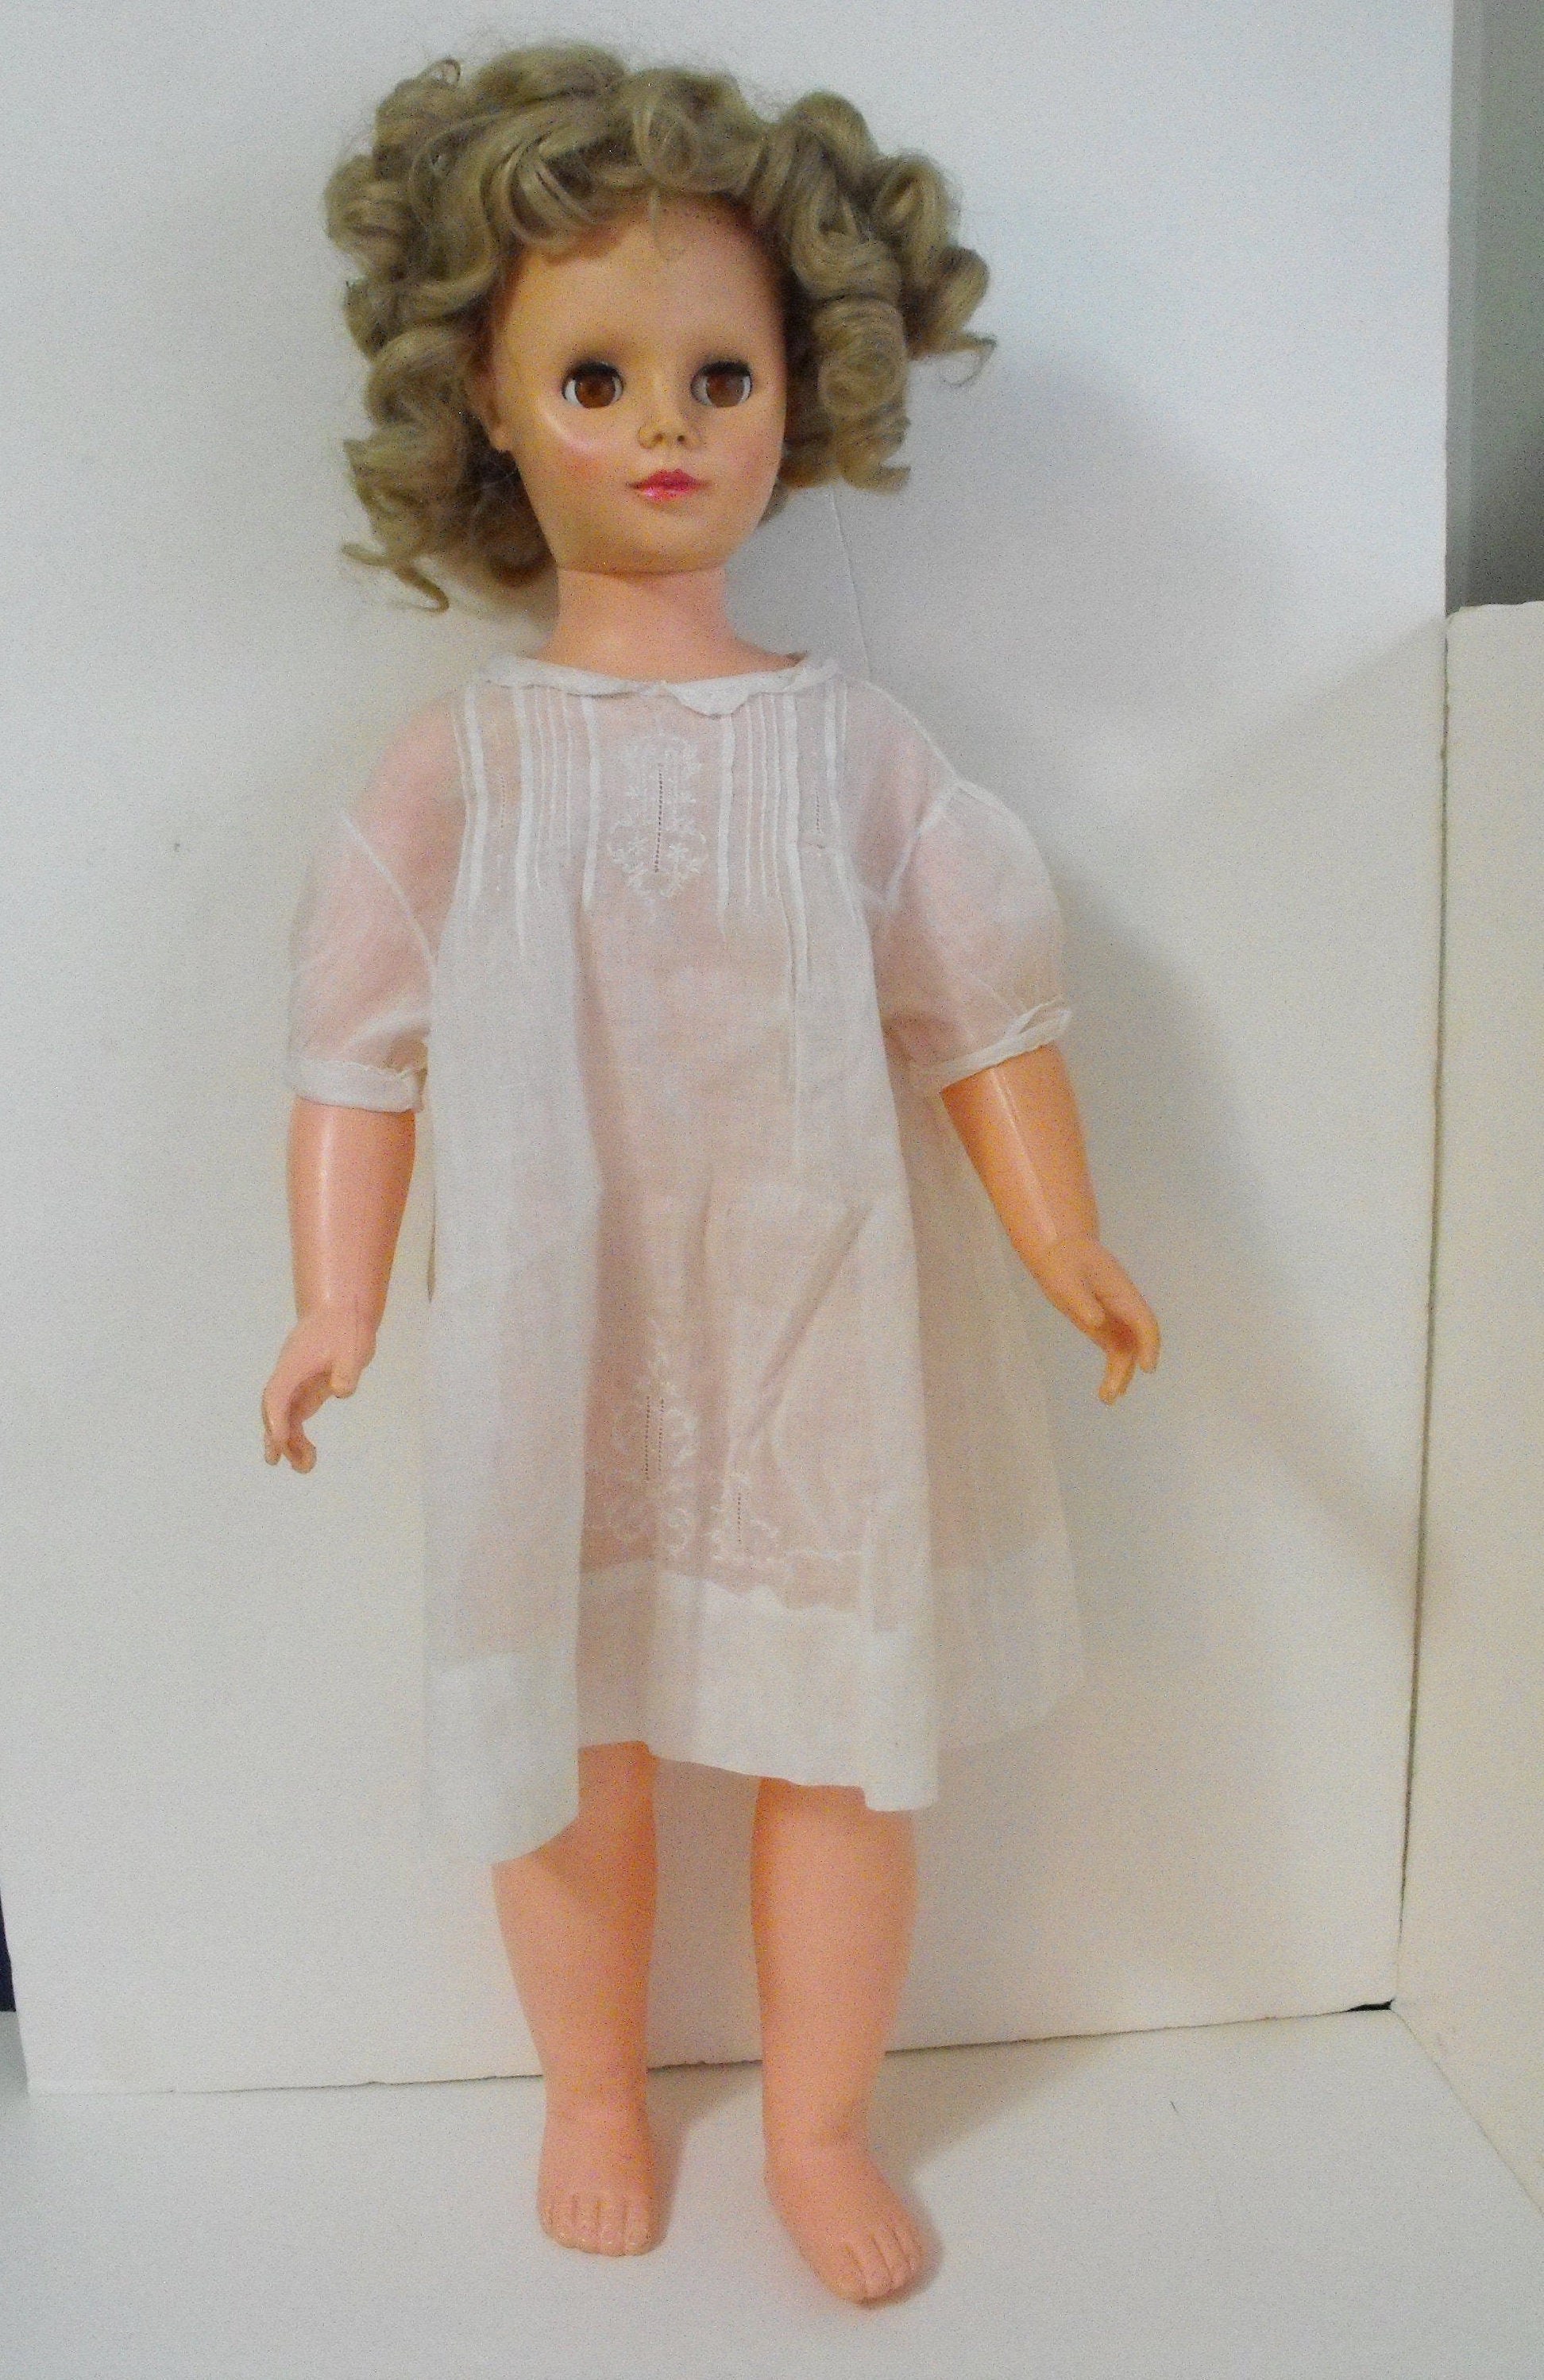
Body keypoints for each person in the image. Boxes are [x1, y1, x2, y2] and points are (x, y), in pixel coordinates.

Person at [261, 44, 1159, 2305]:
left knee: (841, 1745)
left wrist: (1062, 1232)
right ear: (484, 401)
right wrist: (335, 1297)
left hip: (816, 1325)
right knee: (572, 1741)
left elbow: (983, 1006)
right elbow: (353, 1043)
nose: (666, 425)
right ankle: (592, 2089)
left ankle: (820, 2116)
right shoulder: (465, 765)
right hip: (558, 1328)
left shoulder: (853, 749)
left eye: (719, 374)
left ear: (802, 389)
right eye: (596, 376)